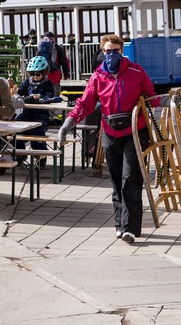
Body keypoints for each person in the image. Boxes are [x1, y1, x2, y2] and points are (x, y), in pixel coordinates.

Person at [58, 34, 159, 243]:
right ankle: (119, 224)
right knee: (115, 178)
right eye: (107, 51)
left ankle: (131, 227)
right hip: (110, 132)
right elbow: (85, 103)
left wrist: (167, 101)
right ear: (102, 52)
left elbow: (151, 95)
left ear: (122, 51)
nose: (111, 54)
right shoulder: (98, 76)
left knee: (130, 177)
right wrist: (69, 122)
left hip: (135, 129)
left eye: (115, 50)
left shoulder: (136, 71)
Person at [12, 56, 55, 157]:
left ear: (44, 73)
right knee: (16, 127)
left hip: (42, 114)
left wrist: (40, 96)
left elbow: (50, 96)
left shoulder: (47, 84)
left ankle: (41, 154)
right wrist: (16, 94)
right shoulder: (27, 82)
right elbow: (19, 93)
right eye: (32, 74)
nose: (35, 76)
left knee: (37, 131)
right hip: (27, 113)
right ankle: (20, 154)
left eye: (38, 74)